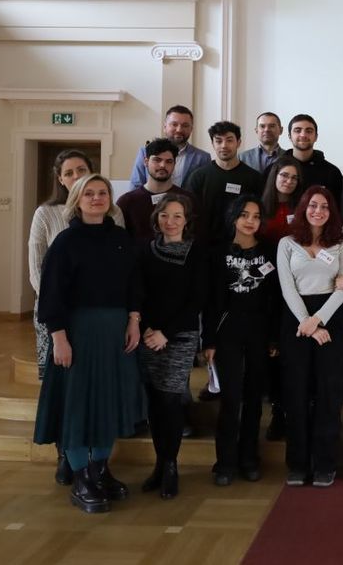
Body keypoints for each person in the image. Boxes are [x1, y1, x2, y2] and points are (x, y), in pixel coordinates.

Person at [32, 174, 144, 514]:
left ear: (110, 199)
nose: (97, 199)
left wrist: (134, 321)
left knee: (107, 403)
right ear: (77, 200)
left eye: (103, 193)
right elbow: (52, 295)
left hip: (116, 330)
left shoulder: (123, 239)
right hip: (77, 333)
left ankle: (99, 470)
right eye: (89, 194)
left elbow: (135, 284)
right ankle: (81, 476)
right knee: (78, 406)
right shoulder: (65, 242)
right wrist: (59, 338)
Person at [27, 148, 96, 485]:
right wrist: (60, 314)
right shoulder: (46, 213)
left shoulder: (107, 211)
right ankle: (64, 454)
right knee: (59, 387)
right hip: (55, 317)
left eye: (81, 170)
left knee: (88, 385)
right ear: (60, 178)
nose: (75, 177)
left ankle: (90, 455)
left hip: (94, 318)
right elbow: (37, 269)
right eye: (69, 173)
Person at [275, 186, 343, 487]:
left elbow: (342, 288)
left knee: (328, 393)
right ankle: (297, 463)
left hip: (330, 317)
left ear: (331, 212)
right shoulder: (286, 243)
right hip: (295, 319)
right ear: (304, 208)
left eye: (324, 206)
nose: (318, 211)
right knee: (295, 393)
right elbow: (287, 287)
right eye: (312, 205)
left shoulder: (340, 245)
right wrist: (307, 322)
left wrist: (319, 321)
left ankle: (324, 463)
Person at [204, 194, 279, 486]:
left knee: (253, 399)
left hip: (260, 333)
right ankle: (225, 462)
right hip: (227, 333)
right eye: (245, 215)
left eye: (256, 216)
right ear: (233, 217)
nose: (251, 221)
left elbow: (275, 298)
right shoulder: (217, 252)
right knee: (231, 399)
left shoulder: (270, 252)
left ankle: (249, 458)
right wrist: (208, 340)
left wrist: (274, 336)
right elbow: (210, 301)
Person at [136, 193, 206, 500]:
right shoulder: (146, 251)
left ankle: (171, 465)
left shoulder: (197, 253)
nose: (171, 221)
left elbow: (197, 300)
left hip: (180, 336)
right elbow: (139, 292)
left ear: (186, 221)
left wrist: (166, 332)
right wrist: (149, 328)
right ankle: (159, 464)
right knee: (153, 401)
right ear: (157, 218)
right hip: (149, 335)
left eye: (178, 216)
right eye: (165, 215)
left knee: (170, 400)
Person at [255, 155, 306, 441]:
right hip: (266, 288)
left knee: (291, 351)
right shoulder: (260, 208)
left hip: (297, 288)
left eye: (294, 178)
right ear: (274, 176)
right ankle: (276, 410)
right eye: (284, 175)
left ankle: (292, 410)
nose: (288, 181)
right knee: (271, 352)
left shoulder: (303, 208)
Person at [186, 121, 265, 244]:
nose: (224, 145)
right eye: (218, 141)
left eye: (229, 140)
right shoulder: (198, 176)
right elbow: (190, 214)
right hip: (206, 244)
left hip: (241, 244)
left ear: (238, 143)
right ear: (212, 143)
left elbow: (259, 215)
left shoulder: (254, 178)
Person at [117, 138, 194, 243]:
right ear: (146, 161)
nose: (163, 165)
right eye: (157, 160)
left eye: (169, 161)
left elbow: (197, 239)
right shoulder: (126, 202)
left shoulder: (189, 200)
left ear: (174, 164)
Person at [130, 105, 211, 189]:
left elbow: (205, 190)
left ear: (191, 129)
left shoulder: (203, 157)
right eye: (174, 124)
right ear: (165, 127)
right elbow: (136, 186)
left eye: (185, 125)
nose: (179, 129)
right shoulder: (145, 152)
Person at [286, 114, 343, 203]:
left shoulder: (332, 172)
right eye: (297, 130)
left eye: (309, 131)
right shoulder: (275, 170)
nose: (303, 135)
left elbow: (336, 210)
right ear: (289, 136)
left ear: (316, 137)